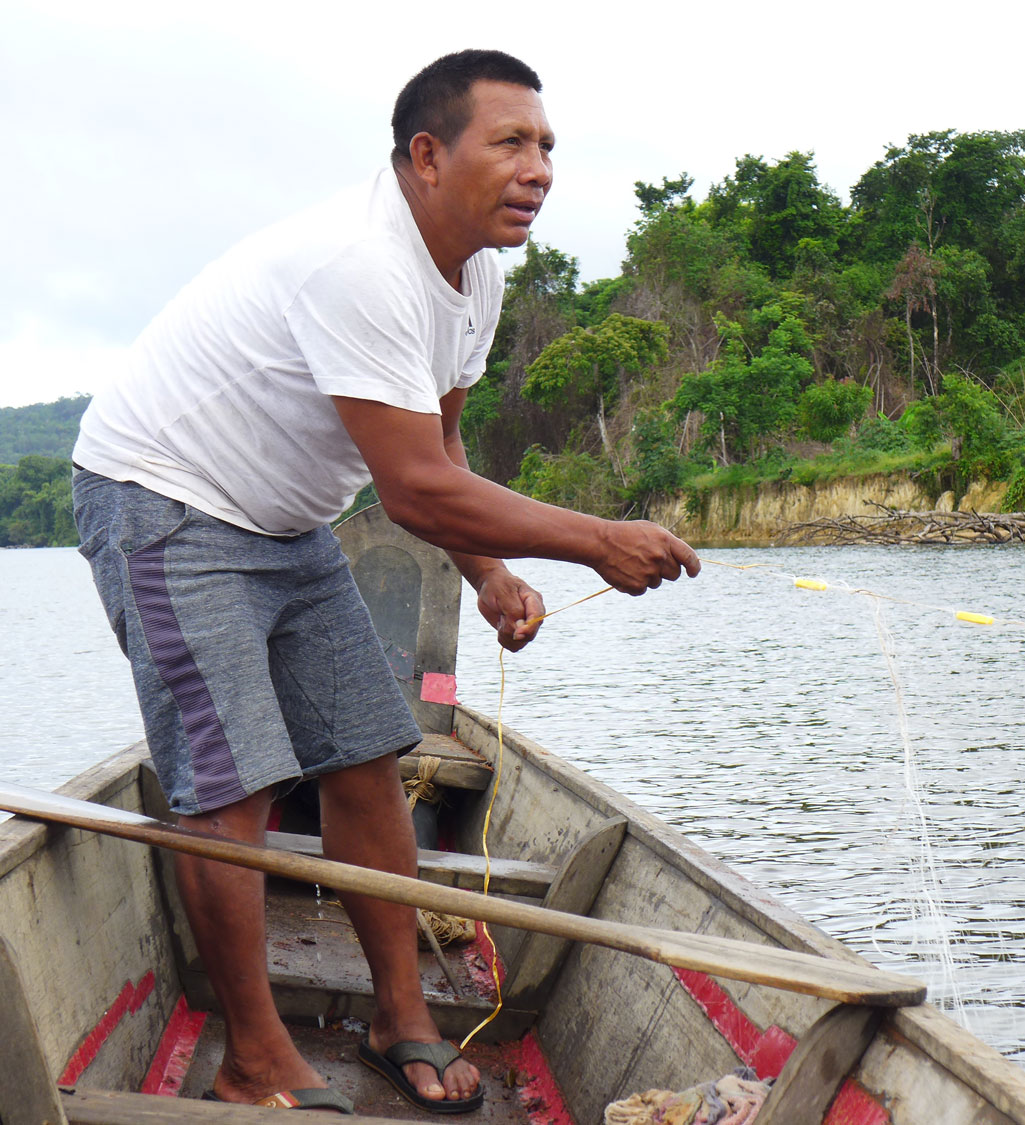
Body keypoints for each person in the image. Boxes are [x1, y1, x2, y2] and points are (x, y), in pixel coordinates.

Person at [71, 49, 698, 1114]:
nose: (537, 168)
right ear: (425, 155)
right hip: (166, 501)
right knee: (233, 791)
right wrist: (597, 539)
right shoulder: (361, 261)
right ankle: (255, 1057)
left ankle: (401, 1012)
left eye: (546, 147)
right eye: (510, 143)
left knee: (368, 757)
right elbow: (411, 492)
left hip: (286, 518)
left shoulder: (477, 278)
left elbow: (441, 456)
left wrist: (492, 576)